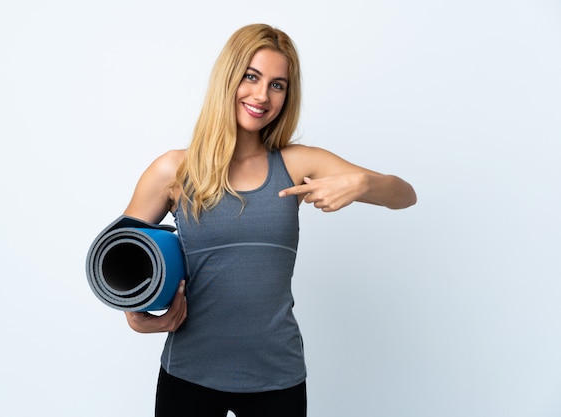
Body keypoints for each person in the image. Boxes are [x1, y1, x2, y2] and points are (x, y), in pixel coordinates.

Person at [122, 23, 416, 417]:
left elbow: (404, 196)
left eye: (277, 85)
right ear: (229, 78)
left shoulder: (297, 163)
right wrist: (137, 316)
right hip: (189, 374)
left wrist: (363, 184)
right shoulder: (173, 170)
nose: (262, 95)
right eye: (251, 77)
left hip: (277, 377)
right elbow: (122, 260)